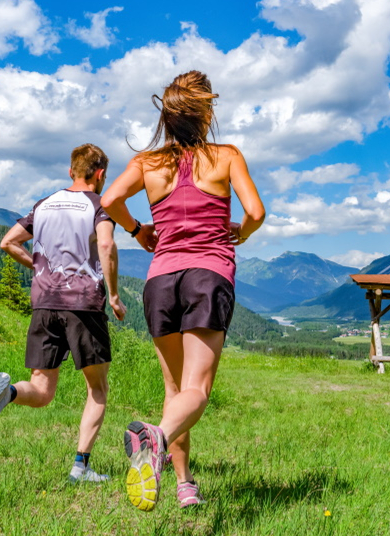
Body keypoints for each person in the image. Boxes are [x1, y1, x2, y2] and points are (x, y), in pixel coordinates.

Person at [101, 70, 265, 511]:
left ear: (168, 118)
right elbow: (255, 211)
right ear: (205, 113)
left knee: (175, 390)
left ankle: (183, 483)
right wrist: (242, 232)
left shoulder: (147, 163)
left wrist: (137, 230)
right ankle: (155, 439)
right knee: (197, 389)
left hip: (160, 282)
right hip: (207, 276)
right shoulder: (226, 156)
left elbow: (110, 200)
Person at [0, 143, 127, 484]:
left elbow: (8, 242)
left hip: (44, 303)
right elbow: (106, 244)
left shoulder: (44, 204)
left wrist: (39, 267)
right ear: (100, 174)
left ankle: (8, 394)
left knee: (41, 390)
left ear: (71, 171)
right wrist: (114, 296)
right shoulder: (99, 204)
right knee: (97, 389)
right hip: (83, 305)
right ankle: (80, 468)